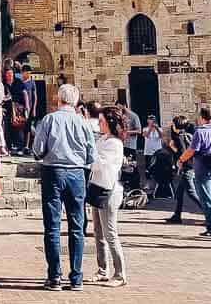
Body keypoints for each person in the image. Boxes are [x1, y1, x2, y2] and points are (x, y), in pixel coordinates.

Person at [32, 84, 96, 291]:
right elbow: (91, 155)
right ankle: (76, 277)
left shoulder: (49, 120)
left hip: (53, 172)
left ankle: (55, 277)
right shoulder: (83, 123)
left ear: (58, 99)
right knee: (77, 226)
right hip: (76, 174)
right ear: (76, 101)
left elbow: (38, 149)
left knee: (52, 226)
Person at [178, 106, 211, 239]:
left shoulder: (199, 132)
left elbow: (191, 150)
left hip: (202, 168)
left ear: (202, 118)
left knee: (206, 198)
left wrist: (181, 159)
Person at [91, 106, 127, 287]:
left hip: (109, 191)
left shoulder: (114, 143)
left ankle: (120, 274)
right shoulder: (102, 139)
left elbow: (101, 164)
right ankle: (102, 269)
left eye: (102, 121)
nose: (99, 124)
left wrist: (89, 154)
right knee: (98, 231)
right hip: (97, 187)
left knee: (110, 232)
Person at [165, 116, 201, 225]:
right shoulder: (184, 134)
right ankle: (177, 215)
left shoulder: (180, 137)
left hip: (187, 167)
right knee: (179, 193)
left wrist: (172, 147)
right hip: (188, 166)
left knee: (191, 193)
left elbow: (182, 153)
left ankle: (209, 213)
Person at [19, 66, 39, 154]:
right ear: (22, 73)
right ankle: (21, 145)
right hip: (20, 108)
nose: (28, 74)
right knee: (20, 126)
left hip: (29, 108)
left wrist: (34, 108)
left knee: (28, 127)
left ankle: (27, 146)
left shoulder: (32, 82)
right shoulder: (19, 82)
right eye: (27, 73)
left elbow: (35, 96)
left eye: (29, 73)